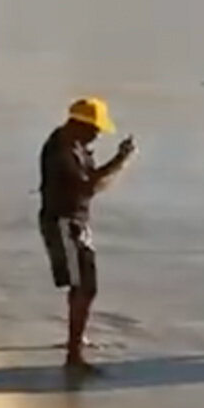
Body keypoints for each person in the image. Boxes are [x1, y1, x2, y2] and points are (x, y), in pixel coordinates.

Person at [38, 97, 136, 374]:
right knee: (84, 287)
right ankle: (73, 356)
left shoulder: (75, 145)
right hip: (63, 223)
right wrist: (120, 160)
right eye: (94, 129)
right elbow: (88, 185)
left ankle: (75, 340)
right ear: (78, 124)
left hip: (74, 222)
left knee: (82, 285)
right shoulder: (62, 152)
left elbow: (90, 180)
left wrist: (117, 162)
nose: (97, 135)